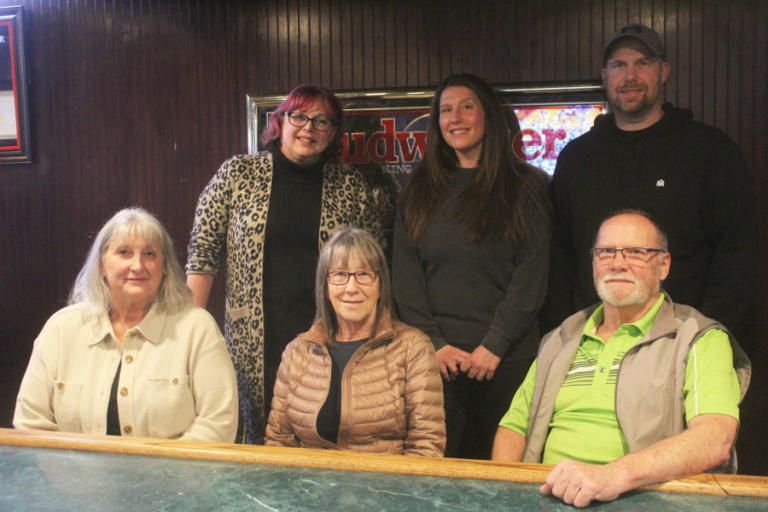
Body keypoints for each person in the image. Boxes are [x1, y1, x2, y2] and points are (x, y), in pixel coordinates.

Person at [492, 210, 751, 508]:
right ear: (592, 262)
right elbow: (514, 428)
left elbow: (714, 439)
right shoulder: (561, 338)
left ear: (664, 265)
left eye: (636, 253)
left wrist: (611, 476)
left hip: (648, 501)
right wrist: (505, 496)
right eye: (605, 252)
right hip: (547, 498)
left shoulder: (698, 338)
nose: (617, 263)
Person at [186, 85, 382, 443]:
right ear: (280, 121)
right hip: (253, 344)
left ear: (334, 132)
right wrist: (186, 338)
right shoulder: (237, 174)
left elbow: (372, 266)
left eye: (322, 121)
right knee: (257, 442)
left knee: (321, 435)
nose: (309, 128)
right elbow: (203, 255)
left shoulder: (351, 186)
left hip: (328, 337)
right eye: (300, 116)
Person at [543, 23, 757, 342]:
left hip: (682, 343)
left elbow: (737, 252)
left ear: (663, 71)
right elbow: (560, 258)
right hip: (593, 344)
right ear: (605, 76)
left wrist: (707, 336)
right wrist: (565, 336)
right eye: (619, 65)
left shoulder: (710, 150)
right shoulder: (576, 157)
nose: (630, 76)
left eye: (642, 63)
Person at [392, 73, 550, 459]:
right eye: (446, 110)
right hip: (436, 364)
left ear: (488, 116)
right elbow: (405, 275)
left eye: (466, 106)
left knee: (503, 479)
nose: (455, 118)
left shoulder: (526, 186)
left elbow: (532, 275)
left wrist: (494, 345)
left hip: (507, 362)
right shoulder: (418, 189)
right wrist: (435, 345)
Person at [14, 208, 238, 442]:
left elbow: (218, 424)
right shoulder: (60, 330)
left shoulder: (197, 328)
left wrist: (163, 476)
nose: (138, 265)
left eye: (150, 254)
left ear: (164, 267)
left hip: (174, 478)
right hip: (71, 478)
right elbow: (30, 423)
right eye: (124, 252)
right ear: (102, 264)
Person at [265, 227, 445, 456]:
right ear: (325, 286)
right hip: (309, 488)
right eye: (339, 275)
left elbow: (426, 447)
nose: (351, 288)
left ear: (381, 285)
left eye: (363, 275)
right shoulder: (296, 352)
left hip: (383, 489)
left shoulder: (413, 348)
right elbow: (278, 443)